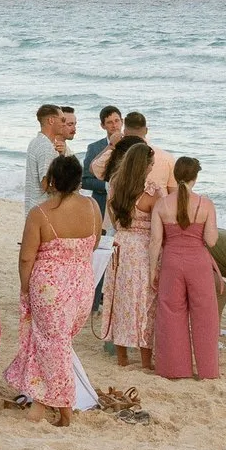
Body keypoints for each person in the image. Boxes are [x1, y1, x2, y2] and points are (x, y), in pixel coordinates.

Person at [5, 155, 101, 423]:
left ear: (53, 181)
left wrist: (25, 287)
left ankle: (64, 407)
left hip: (50, 286)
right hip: (82, 283)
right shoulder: (93, 207)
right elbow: (92, 245)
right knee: (53, 343)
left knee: (51, 344)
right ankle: (40, 403)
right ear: (79, 180)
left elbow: (26, 257)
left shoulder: (40, 213)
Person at [152, 156, 222, 381]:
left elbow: (155, 242)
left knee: (171, 314)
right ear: (196, 177)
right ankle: (207, 371)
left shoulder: (161, 204)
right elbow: (211, 241)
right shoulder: (205, 204)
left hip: (172, 262)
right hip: (198, 263)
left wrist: (153, 269)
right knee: (205, 315)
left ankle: (175, 369)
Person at [98, 142, 162, 368]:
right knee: (145, 301)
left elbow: (114, 220)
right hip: (143, 249)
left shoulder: (116, 185)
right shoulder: (152, 192)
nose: (152, 168)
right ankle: (146, 360)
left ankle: (122, 356)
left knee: (120, 299)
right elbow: (158, 229)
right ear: (143, 165)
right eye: (151, 164)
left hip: (121, 244)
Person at [79, 105, 127, 216]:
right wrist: (108, 186)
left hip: (125, 205)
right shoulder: (94, 148)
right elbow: (85, 181)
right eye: (109, 122)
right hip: (101, 204)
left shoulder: (132, 145)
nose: (114, 125)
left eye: (117, 121)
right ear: (102, 125)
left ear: (122, 121)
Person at [24, 104, 74, 201]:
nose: (64, 124)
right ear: (51, 121)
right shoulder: (46, 147)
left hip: (34, 207)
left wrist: (62, 156)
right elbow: (45, 185)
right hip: (44, 209)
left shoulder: (35, 142)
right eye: (62, 120)